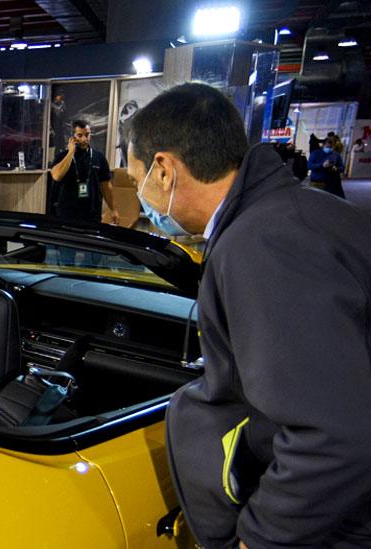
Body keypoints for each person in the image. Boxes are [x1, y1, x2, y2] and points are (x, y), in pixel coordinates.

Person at [128, 83, 371, 548]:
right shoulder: (301, 212)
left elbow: (333, 435)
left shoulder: (262, 246)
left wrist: (260, 539)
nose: (140, 198)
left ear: (163, 169)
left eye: (135, 176)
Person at [49, 120, 118, 227]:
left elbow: (106, 187)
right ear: (72, 137)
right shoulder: (62, 156)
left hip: (92, 214)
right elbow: (57, 176)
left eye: (87, 135)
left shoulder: (99, 157)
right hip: (67, 214)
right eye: (80, 135)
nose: (84, 139)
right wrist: (71, 152)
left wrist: (113, 209)